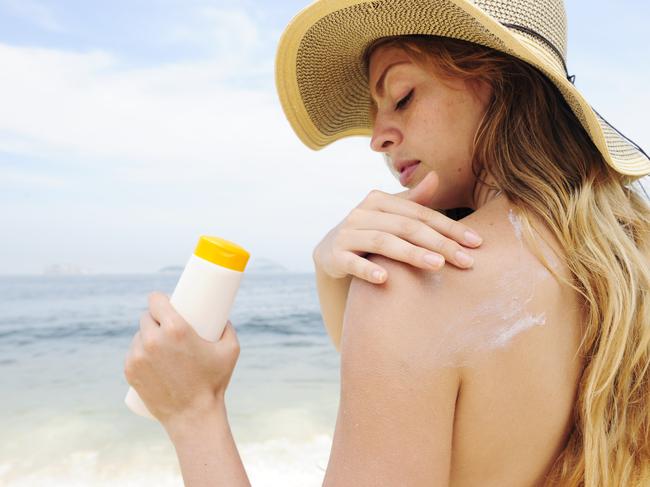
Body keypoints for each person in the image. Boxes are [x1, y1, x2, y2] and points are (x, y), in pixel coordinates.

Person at [124, 1, 650, 486]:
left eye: (401, 96)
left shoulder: (417, 282)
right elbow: (407, 388)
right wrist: (328, 269)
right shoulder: (626, 264)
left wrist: (194, 411)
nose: (378, 136)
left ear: (498, 83)